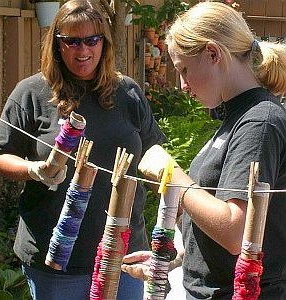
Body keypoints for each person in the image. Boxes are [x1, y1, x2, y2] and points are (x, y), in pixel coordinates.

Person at [0, 1, 166, 299]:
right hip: (56, 259)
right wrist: (36, 170)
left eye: (92, 40)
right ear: (57, 45)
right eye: (71, 41)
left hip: (124, 254)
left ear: (104, 44)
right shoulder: (31, 93)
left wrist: (179, 189)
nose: (83, 50)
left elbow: (153, 152)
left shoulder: (128, 93)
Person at [121, 1, 286, 299]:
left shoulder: (260, 122)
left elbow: (237, 232)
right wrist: (176, 258)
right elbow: (211, 214)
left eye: (184, 70)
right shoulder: (237, 117)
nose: (183, 85)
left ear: (213, 53)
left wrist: (170, 174)